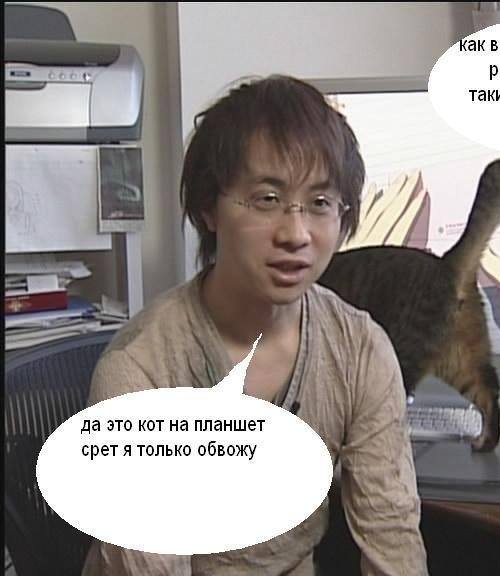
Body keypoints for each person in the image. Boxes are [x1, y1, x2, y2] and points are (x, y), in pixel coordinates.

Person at [81, 75, 428, 576]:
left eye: (320, 203)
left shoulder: (359, 350)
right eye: (267, 199)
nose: (296, 233)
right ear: (209, 208)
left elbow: (393, 539)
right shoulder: (140, 371)